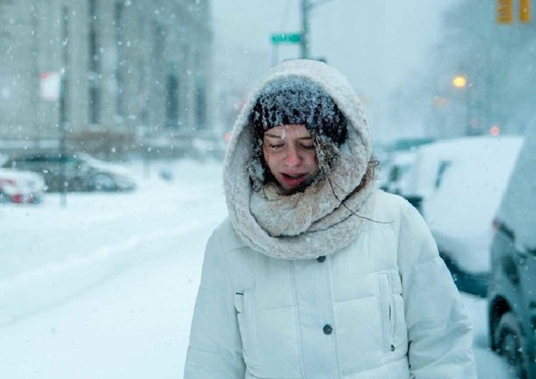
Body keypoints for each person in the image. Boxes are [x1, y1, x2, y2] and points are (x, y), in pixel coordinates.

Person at [184, 60, 477, 379]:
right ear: (259, 149)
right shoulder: (231, 243)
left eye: (308, 145)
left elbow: (442, 346)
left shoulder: (394, 222)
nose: (292, 159)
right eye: (276, 144)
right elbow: (213, 361)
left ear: (333, 146)